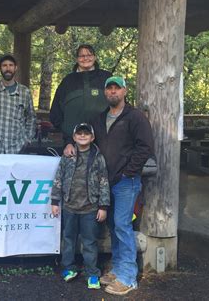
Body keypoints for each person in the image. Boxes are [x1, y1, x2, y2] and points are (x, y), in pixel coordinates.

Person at [91, 76, 154, 296]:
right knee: (113, 226)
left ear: (125, 91)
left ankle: (128, 277)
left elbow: (145, 146)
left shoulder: (135, 117)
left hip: (126, 181)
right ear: (105, 93)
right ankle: (118, 269)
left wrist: (129, 171)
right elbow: (88, 141)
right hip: (105, 182)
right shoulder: (99, 119)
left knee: (123, 225)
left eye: (117, 88)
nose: (113, 92)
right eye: (109, 88)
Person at [51, 123, 110, 290]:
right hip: (69, 207)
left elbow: (104, 182)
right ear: (74, 137)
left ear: (92, 137)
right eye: (79, 134)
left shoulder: (98, 157)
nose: (82, 136)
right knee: (68, 239)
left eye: (86, 134)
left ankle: (92, 273)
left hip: (90, 208)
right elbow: (58, 179)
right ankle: (68, 268)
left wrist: (103, 206)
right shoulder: (67, 156)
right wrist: (55, 202)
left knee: (90, 242)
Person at [50, 44, 111, 157]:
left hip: (105, 142)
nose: (85, 58)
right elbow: (55, 114)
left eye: (89, 55)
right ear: (77, 59)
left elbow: (119, 106)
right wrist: (68, 141)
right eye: (81, 56)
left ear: (95, 57)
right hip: (73, 145)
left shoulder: (106, 78)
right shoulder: (67, 82)